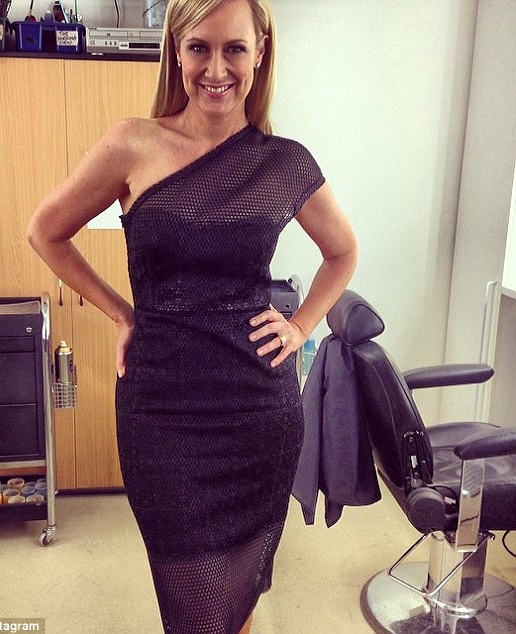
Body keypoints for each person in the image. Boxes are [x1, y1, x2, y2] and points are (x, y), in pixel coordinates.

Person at [27, 0, 358, 632]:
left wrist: (300, 326)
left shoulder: (284, 162)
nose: (216, 69)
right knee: (194, 605)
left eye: (235, 49)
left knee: (237, 592)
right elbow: (46, 231)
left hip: (256, 411)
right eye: (199, 48)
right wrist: (122, 314)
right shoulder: (132, 143)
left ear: (260, 53)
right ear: (175, 51)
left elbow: (342, 251)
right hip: (162, 413)